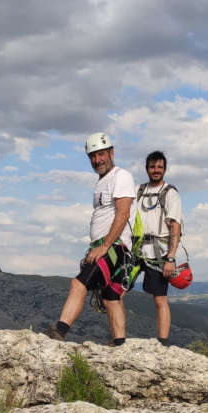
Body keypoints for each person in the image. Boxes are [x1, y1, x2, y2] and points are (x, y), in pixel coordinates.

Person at [45, 132, 136, 346]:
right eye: (92, 156)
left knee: (78, 284)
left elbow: (123, 214)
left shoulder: (121, 176)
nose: (97, 160)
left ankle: (59, 331)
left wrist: (104, 246)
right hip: (109, 247)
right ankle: (120, 344)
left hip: (113, 247)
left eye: (101, 154)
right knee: (111, 296)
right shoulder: (102, 182)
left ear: (111, 152)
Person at [135, 150, 182, 346]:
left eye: (160, 167)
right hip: (136, 249)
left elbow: (175, 226)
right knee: (116, 291)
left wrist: (171, 257)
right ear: (147, 168)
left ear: (164, 169)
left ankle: (162, 342)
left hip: (158, 252)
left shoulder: (170, 193)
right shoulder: (139, 191)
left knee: (160, 299)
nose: (156, 170)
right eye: (153, 167)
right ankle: (117, 337)